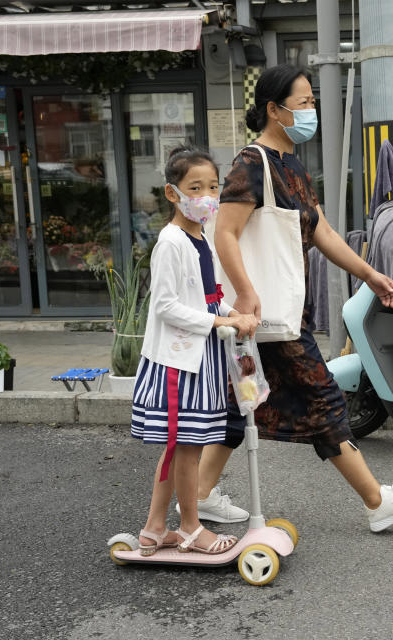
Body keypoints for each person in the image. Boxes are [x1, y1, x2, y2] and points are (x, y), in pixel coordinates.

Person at [213, 63, 393, 533]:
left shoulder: (291, 165)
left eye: (313, 101)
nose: (312, 110)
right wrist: (248, 293)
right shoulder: (251, 164)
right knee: (325, 400)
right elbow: (224, 234)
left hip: (283, 313)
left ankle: (199, 498)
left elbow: (322, 230)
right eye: (305, 102)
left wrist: (370, 273)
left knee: (241, 406)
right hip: (266, 315)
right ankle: (377, 501)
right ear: (274, 109)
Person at [131, 144, 258, 555]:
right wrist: (222, 321)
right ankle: (189, 528)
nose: (206, 196)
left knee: (182, 447)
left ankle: (153, 529)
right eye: (195, 187)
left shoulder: (199, 239)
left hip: (196, 359)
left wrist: (234, 313)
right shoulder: (170, 242)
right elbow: (166, 306)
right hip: (175, 364)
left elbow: (206, 297)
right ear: (173, 193)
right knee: (185, 449)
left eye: (213, 187)